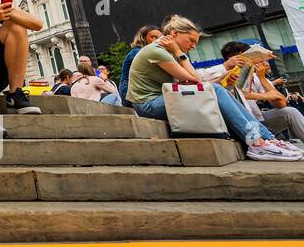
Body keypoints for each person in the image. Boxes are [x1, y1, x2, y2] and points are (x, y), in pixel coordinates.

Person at [126, 16, 299, 161]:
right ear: (175, 34)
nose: (194, 46)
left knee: (217, 88)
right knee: (214, 89)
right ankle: (256, 143)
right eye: (191, 40)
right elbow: (196, 79)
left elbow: (196, 81)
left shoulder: (168, 51)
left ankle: (267, 139)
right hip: (147, 105)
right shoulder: (157, 51)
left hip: (164, 99)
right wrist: (180, 53)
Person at [210, 42, 304, 144]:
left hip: (259, 118)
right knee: (279, 135)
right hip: (239, 122)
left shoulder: (255, 75)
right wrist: (263, 96)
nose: (254, 61)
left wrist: (262, 78)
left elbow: (281, 103)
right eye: (248, 57)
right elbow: (231, 94)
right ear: (232, 58)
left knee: (290, 112)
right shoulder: (221, 75)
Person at [119, 24, 161, 105]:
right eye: (153, 37)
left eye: (159, 37)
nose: (157, 40)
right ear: (142, 38)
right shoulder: (137, 52)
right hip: (130, 88)